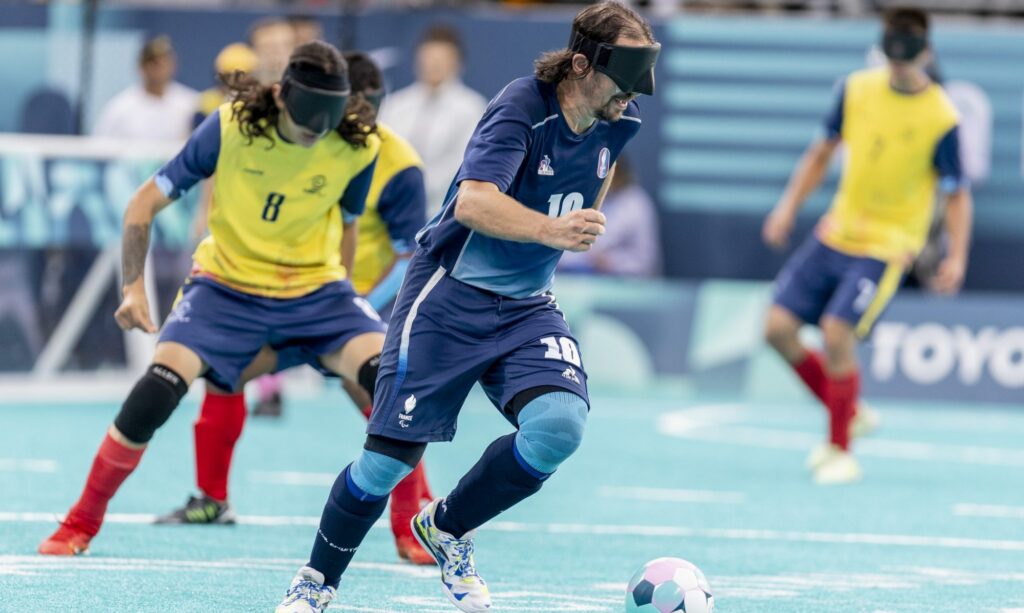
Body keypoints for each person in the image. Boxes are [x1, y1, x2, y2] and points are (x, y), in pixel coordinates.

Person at [274, 3, 660, 611]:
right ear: (582, 64)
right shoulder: (521, 107)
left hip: (527, 305)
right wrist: (552, 232)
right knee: (387, 463)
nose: (635, 94)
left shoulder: (620, 119)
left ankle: (447, 526)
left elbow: (591, 185)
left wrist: (562, 233)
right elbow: (474, 205)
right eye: (627, 77)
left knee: (559, 427)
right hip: (449, 294)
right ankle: (315, 584)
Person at [38, 41, 386, 556]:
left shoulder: (358, 144)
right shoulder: (230, 126)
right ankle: (80, 522)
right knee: (154, 394)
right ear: (280, 95)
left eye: (328, 118)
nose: (317, 130)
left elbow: (349, 226)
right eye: (308, 115)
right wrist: (133, 286)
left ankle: (410, 526)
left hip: (316, 290)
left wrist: (348, 296)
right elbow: (142, 204)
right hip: (225, 289)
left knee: (392, 387)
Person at [155, 51, 435, 566]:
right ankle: (212, 500)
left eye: (366, 110)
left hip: (348, 304)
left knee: (383, 406)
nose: (351, 123)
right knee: (224, 373)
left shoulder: (398, 165)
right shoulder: (303, 133)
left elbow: (409, 257)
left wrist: (355, 308)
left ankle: (411, 524)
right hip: (296, 294)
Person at [762, 7, 972, 485]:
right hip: (836, 231)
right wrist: (787, 207)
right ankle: (849, 410)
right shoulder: (855, 89)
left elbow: (957, 195)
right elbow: (821, 152)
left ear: (927, 53)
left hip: (888, 245)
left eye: (909, 54)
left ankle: (840, 449)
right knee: (776, 329)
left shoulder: (942, 116)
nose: (899, 65)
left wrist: (956, 256)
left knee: (837, 332)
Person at [380, 25, 487, 215]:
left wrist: (416, 188)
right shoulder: (396, 104)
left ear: (456, 62)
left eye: (441, 59)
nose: (433, 64)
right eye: (428, 57)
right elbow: (382, 151)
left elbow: (463, 162)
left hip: (441, 213)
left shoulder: (471, 108)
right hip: (392, 207)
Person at [557, 156, 661, 276]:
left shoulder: (637, 203)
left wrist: (611, 261)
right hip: (574, 277)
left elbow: (645, 261)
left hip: (622, 281)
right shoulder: (580, 196)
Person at [93, 35, 198, 141]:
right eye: (153, 63)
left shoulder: (191, 104)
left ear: (173, 65)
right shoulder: (120, 108)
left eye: (164, 62)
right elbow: (101, 147)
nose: (159, 69)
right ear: (141, 66)